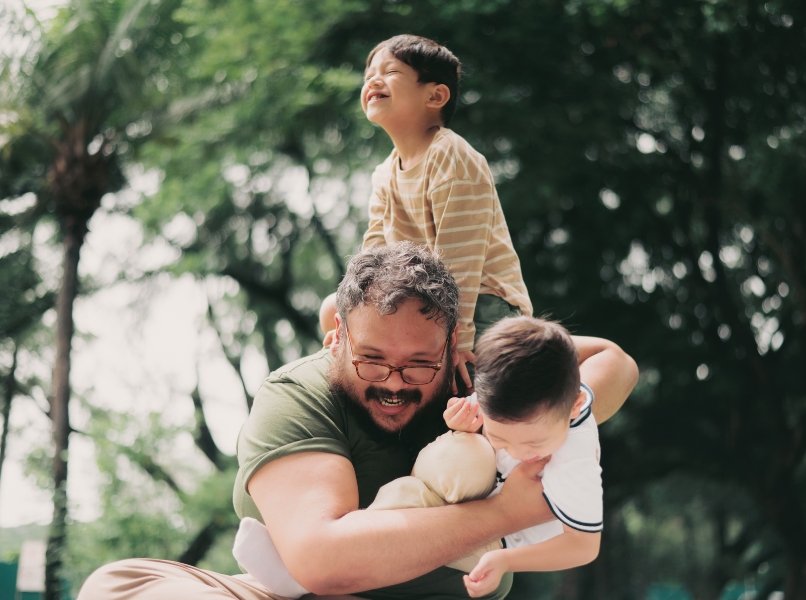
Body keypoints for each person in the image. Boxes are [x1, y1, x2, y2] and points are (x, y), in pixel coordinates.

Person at [76, 242, 638, 599]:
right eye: (373, 359)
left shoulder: (485, 389)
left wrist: (522, 385)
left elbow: (616, 362)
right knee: (120, 586)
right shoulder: (298, 394)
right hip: (295, 595)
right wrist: (502, 512)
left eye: (419, 364)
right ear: (335, 338)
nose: (394, 381)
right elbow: (324, 561)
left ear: (450, 349)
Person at [234, 316, 626, 598]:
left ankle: (305, 577)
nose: (516, 452)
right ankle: (312, 572)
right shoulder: (516, 396)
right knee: (443, 472)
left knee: (457, 468)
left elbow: (583, 547)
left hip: (490, 548)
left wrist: (509, 550)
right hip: (474, 506)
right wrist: (473, 418)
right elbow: (331, 310)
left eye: (421, 361)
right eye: (501, 436)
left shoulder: (566, 445)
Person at [319, 33, 533, 389]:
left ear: (435, 95)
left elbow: (460, 263)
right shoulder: (384, 173)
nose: (373, 80)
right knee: (332, 310)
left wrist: (457, 344)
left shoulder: (453, 157)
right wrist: (352, 321)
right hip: (426, 304)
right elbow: (372, 258)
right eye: (369, 73)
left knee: (466, 385)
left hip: (481, 306)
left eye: (390, 72)